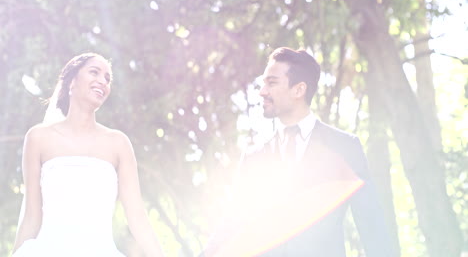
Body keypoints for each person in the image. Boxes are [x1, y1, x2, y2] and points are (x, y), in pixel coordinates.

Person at [202, 47, 393, 256]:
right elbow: (231, 226)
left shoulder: (344, 147)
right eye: (263, 83)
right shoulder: (254, 160)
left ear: (299, 90)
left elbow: (373, 229)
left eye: (271, 83)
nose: (262, 91)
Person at [12, 53, 165, 257]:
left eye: (107, 78)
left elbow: (137, 217)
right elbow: (32, 217)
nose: (102, 81)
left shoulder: (118, 143)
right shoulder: (38, 138)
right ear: (72, 81)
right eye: (94, 72)